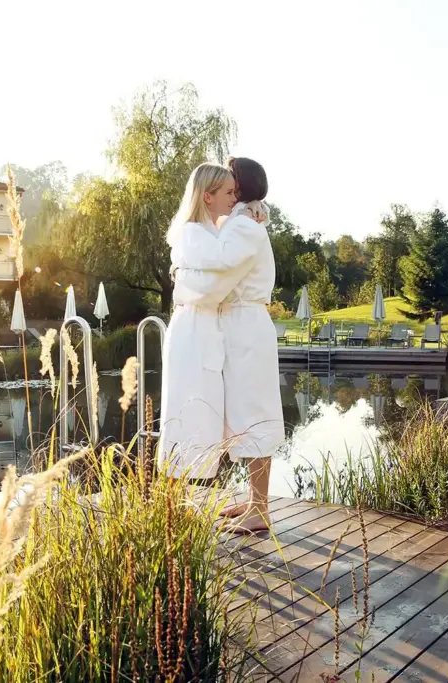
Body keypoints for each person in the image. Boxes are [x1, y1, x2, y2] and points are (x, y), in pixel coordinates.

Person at [171, 157, 285, 533]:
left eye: (231, 182)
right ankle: (253, 501)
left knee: (254, 412)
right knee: (240, 414)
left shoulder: (244, 227)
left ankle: (260, 510)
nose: (229, 190)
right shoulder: (239, 223)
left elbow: (219, 273)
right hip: (235, 326)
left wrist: (180, 277)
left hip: (245, 326)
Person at [157, 162, 238, 481]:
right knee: (188, 411)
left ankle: (191, 492)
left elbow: (211, 283)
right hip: (192, 333)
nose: (234, 199)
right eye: (229, 192)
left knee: (204, 415)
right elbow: (220, 274)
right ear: (207, 196)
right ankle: (175, 497)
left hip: (204, 330)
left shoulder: (211, 232)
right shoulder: (193, 233)